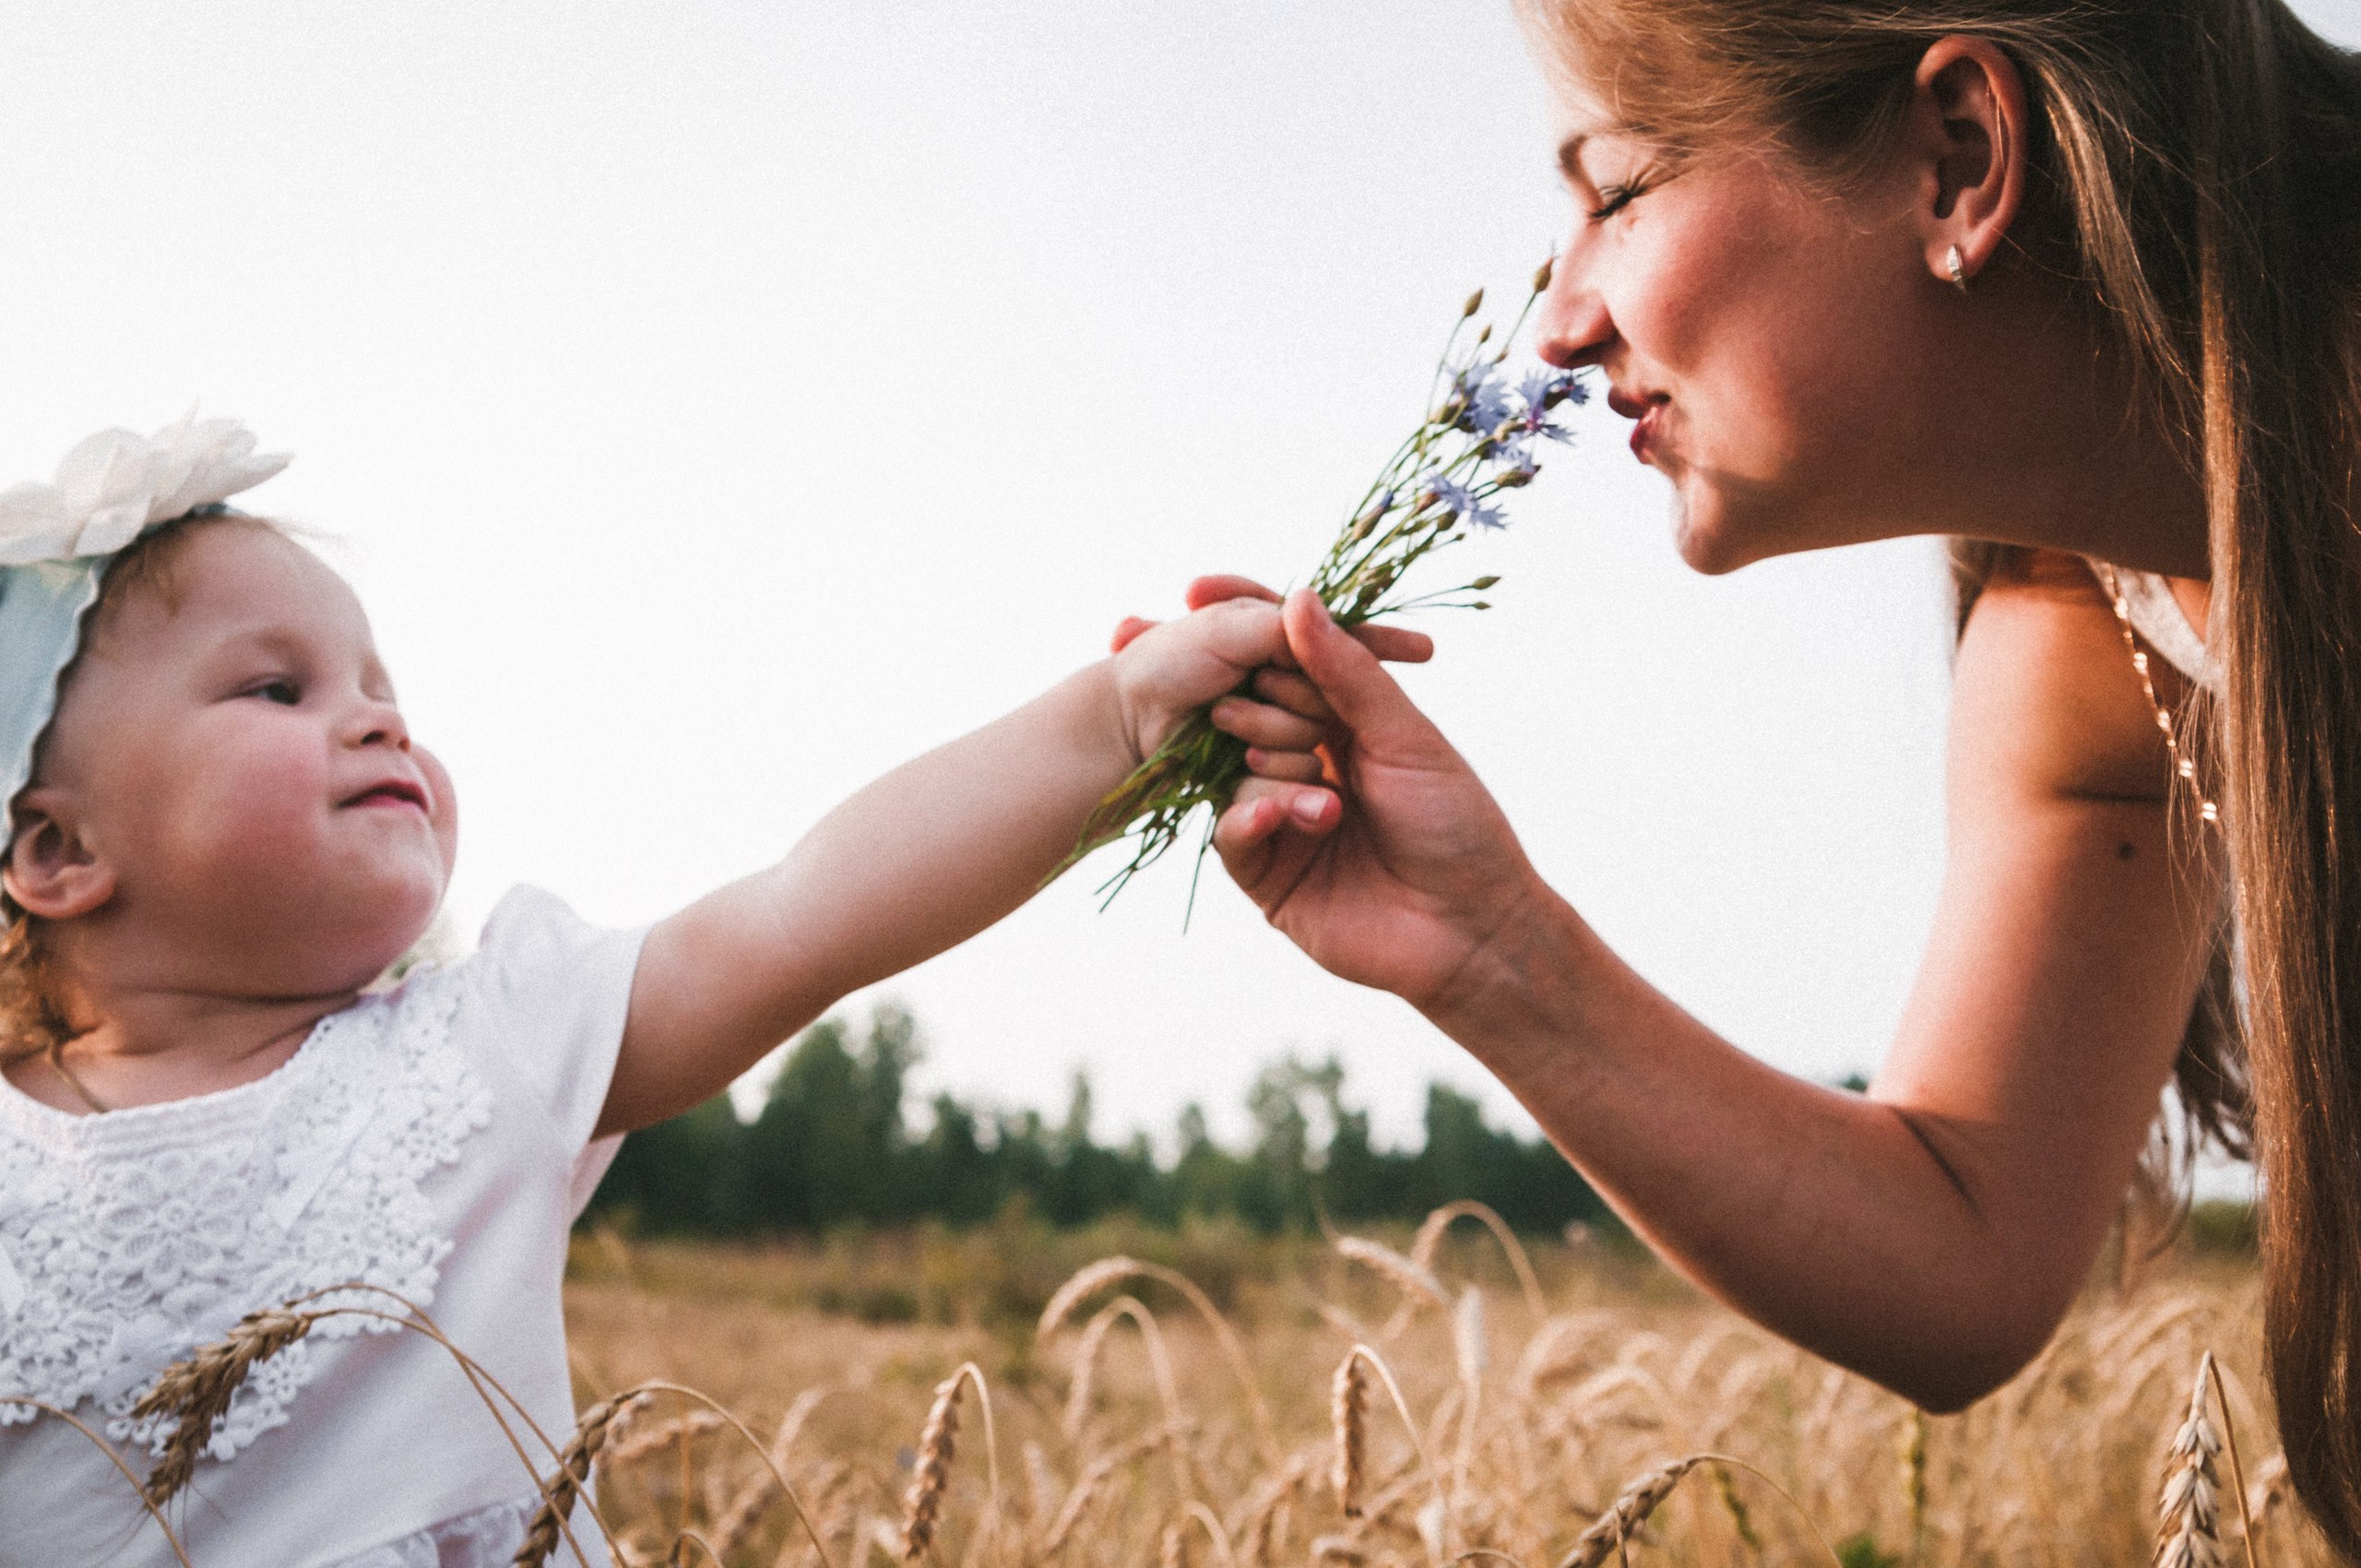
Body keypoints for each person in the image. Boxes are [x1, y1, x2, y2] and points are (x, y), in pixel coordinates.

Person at [1164, 0, 2361, 1553]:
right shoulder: (2092, 630)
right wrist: (1491, 950)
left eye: (1615, 189)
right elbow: (1963, 1247)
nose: (1559, 322)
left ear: (1960, 158)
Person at [0, 417, 1382, 1566]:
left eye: (379, 685)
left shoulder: (487, 1053)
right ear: (56, 851)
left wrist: (1113, 723)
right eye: (275, 688)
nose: (379, 720)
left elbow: (805, 913)